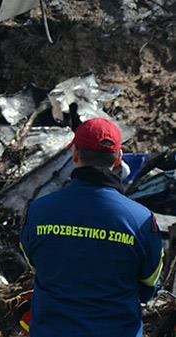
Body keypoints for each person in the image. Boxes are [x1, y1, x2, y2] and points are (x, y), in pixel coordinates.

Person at [20, 118, 164, 337]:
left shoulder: (38, 212)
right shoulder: (142, 221)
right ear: (118, 160)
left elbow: (35, 265)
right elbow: (149, 284)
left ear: (75, 154)